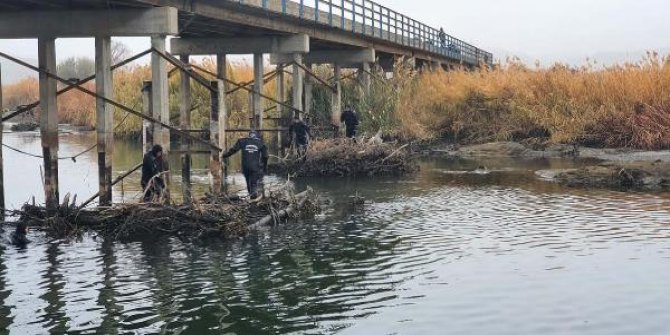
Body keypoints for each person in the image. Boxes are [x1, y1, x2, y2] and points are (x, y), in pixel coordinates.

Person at [221, 131, 268, 200]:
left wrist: (224, 155)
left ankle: (251, 196)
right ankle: (253, 197)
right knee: (253, 183)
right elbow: (266, 156)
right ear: (256, 136)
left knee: (248, 181)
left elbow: (234, 150)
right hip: (255, 167)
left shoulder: (242, 141)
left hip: (245, 166)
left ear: (249, 135)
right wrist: (264, 166)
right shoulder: (260, 143)